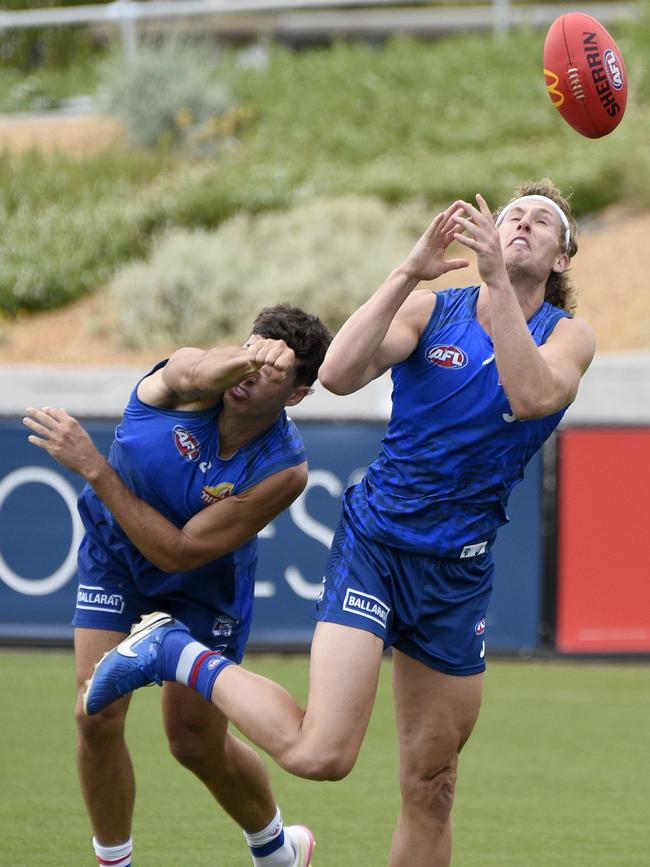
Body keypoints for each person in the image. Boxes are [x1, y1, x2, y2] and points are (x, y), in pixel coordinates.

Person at [31, 179, 596, 867]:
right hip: (378, 546)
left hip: (459, 571)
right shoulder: (431, 310)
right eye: (512, 215)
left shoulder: (570, 337)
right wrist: (406, 272)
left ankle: (180, 669)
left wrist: (498, 287)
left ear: (564, 256)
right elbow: (339, 371)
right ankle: (170, 650)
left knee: (434, 784)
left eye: (543, 221)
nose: (522, 225)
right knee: (322, 754)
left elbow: (531, 394)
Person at [24, 303, 332, 867]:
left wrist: (96, 469)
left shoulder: (284, 469)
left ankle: (279, 852)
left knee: (193, 743)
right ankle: (114, 861)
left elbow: (180, 551)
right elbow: (199, 369)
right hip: (115, 553)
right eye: (248, 351)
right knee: (94, 712)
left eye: (272, 371)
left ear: (297, 395)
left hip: (203, 581)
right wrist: (249, 358)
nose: (250, 374)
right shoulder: (187, 381)